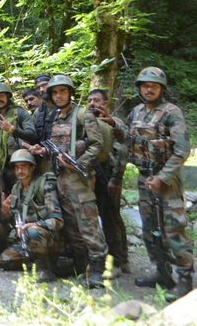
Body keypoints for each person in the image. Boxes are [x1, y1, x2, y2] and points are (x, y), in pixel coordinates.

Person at [29, 74, 107, 288]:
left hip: (79, 180)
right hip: (61, 179)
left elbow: (96, 145)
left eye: (63, 91)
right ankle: (82, 268)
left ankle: (98, 270)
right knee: (72, 226)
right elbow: (59, 146)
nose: (59, 95)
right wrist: (44, 150)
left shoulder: (83, 115)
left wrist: (79, 163)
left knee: (88, 225)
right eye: (55, 92)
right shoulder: (56, 117)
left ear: (70, 93)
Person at [122, 67, 193, 300]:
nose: (149, 89)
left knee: (173, 229)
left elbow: (181, 151)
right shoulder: (136, 112)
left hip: (168, 182)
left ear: (161, 88)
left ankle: (184, 278)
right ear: (139, 88)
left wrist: (162, 178)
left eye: (153, 85)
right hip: (144, 179)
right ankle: (162, 272)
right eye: (145, 85)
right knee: (150, 229)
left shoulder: (172, 113)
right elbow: (128, 141)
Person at [0, 150, 63, 281]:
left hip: (48, 238)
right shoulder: (16, 188)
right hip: (26, 240)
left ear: (32, 167)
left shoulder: (45, 185)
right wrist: (5, 211)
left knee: (33, 232)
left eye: (24, 166)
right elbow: (13, 220)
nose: (20, 170)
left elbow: (58, 221)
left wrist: (35, 225)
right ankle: (35, 262)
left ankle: (46, 269)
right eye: (17, 167)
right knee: (2, 261)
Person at [87, 89, 130, 275]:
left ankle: (119, 261)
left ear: (105, 103)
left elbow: (126, 144)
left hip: (110, 175)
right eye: (90, 100)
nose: (93, 103)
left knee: (111, 217)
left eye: (97, 100)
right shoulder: (88, 120)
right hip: (92, 174)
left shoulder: (115, 122)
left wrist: (116, 179)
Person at [0, 82, 37, 194]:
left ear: (8, 96)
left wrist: (12, 129)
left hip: (17, 166)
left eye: (1, 95)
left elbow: (32, 134)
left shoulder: (19, 113)